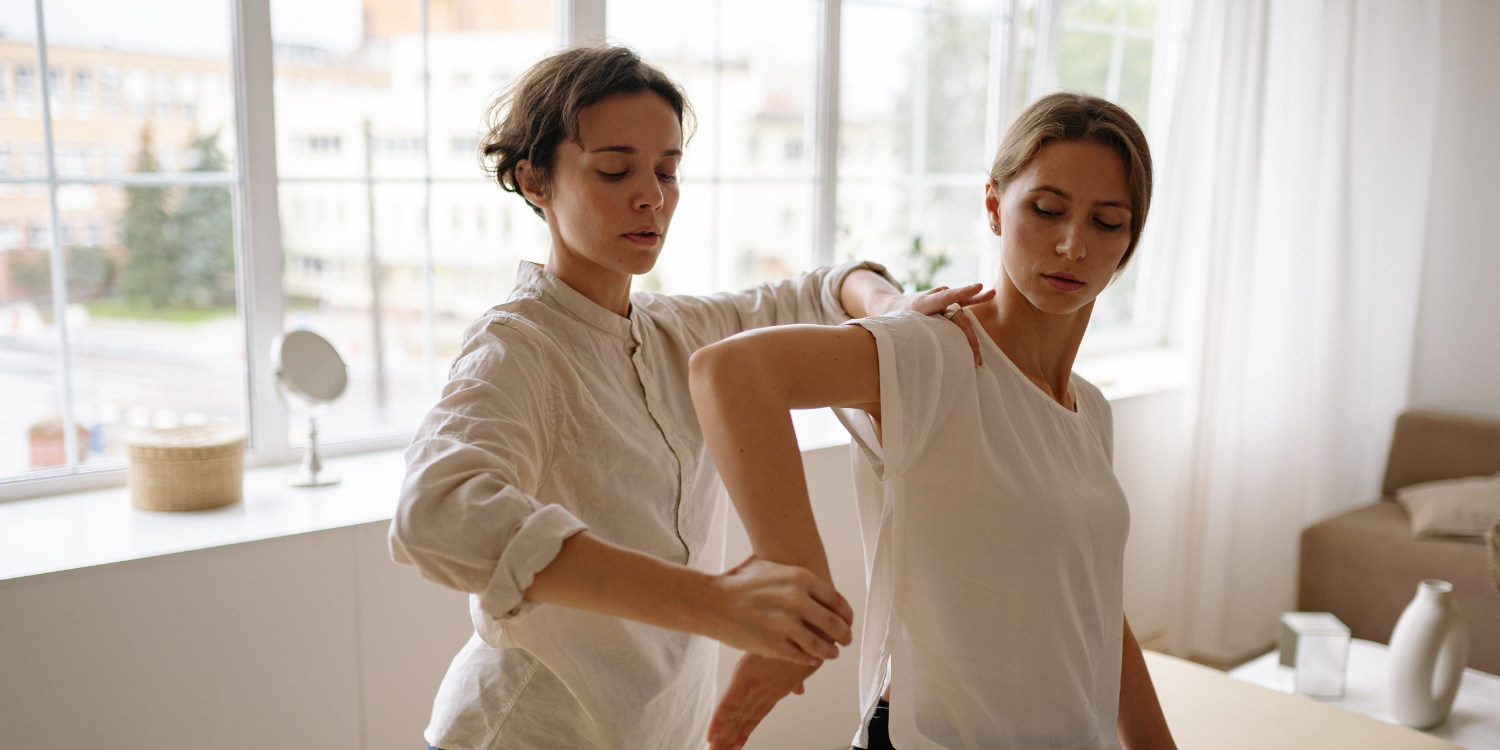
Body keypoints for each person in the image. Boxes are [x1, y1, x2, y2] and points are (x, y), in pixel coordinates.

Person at [388, 44, 988, 750]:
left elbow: (819, 289)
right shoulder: (518, 348)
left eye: (667, 170)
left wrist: (892, 303)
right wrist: (716, 603)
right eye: (616, 170)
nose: (652, 196)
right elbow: (434, 512)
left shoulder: (682, 330)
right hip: (518, 731)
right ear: (535, 179)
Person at [689, 92, 1178, 750]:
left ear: (1129, 241)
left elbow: (1090, 603)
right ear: (993, 205)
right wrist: (796, 582)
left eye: (1107, 222)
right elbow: (727, 373)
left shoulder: (1090, 410)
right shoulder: (938, 355)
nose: (1072, 244)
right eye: (1047, 209)